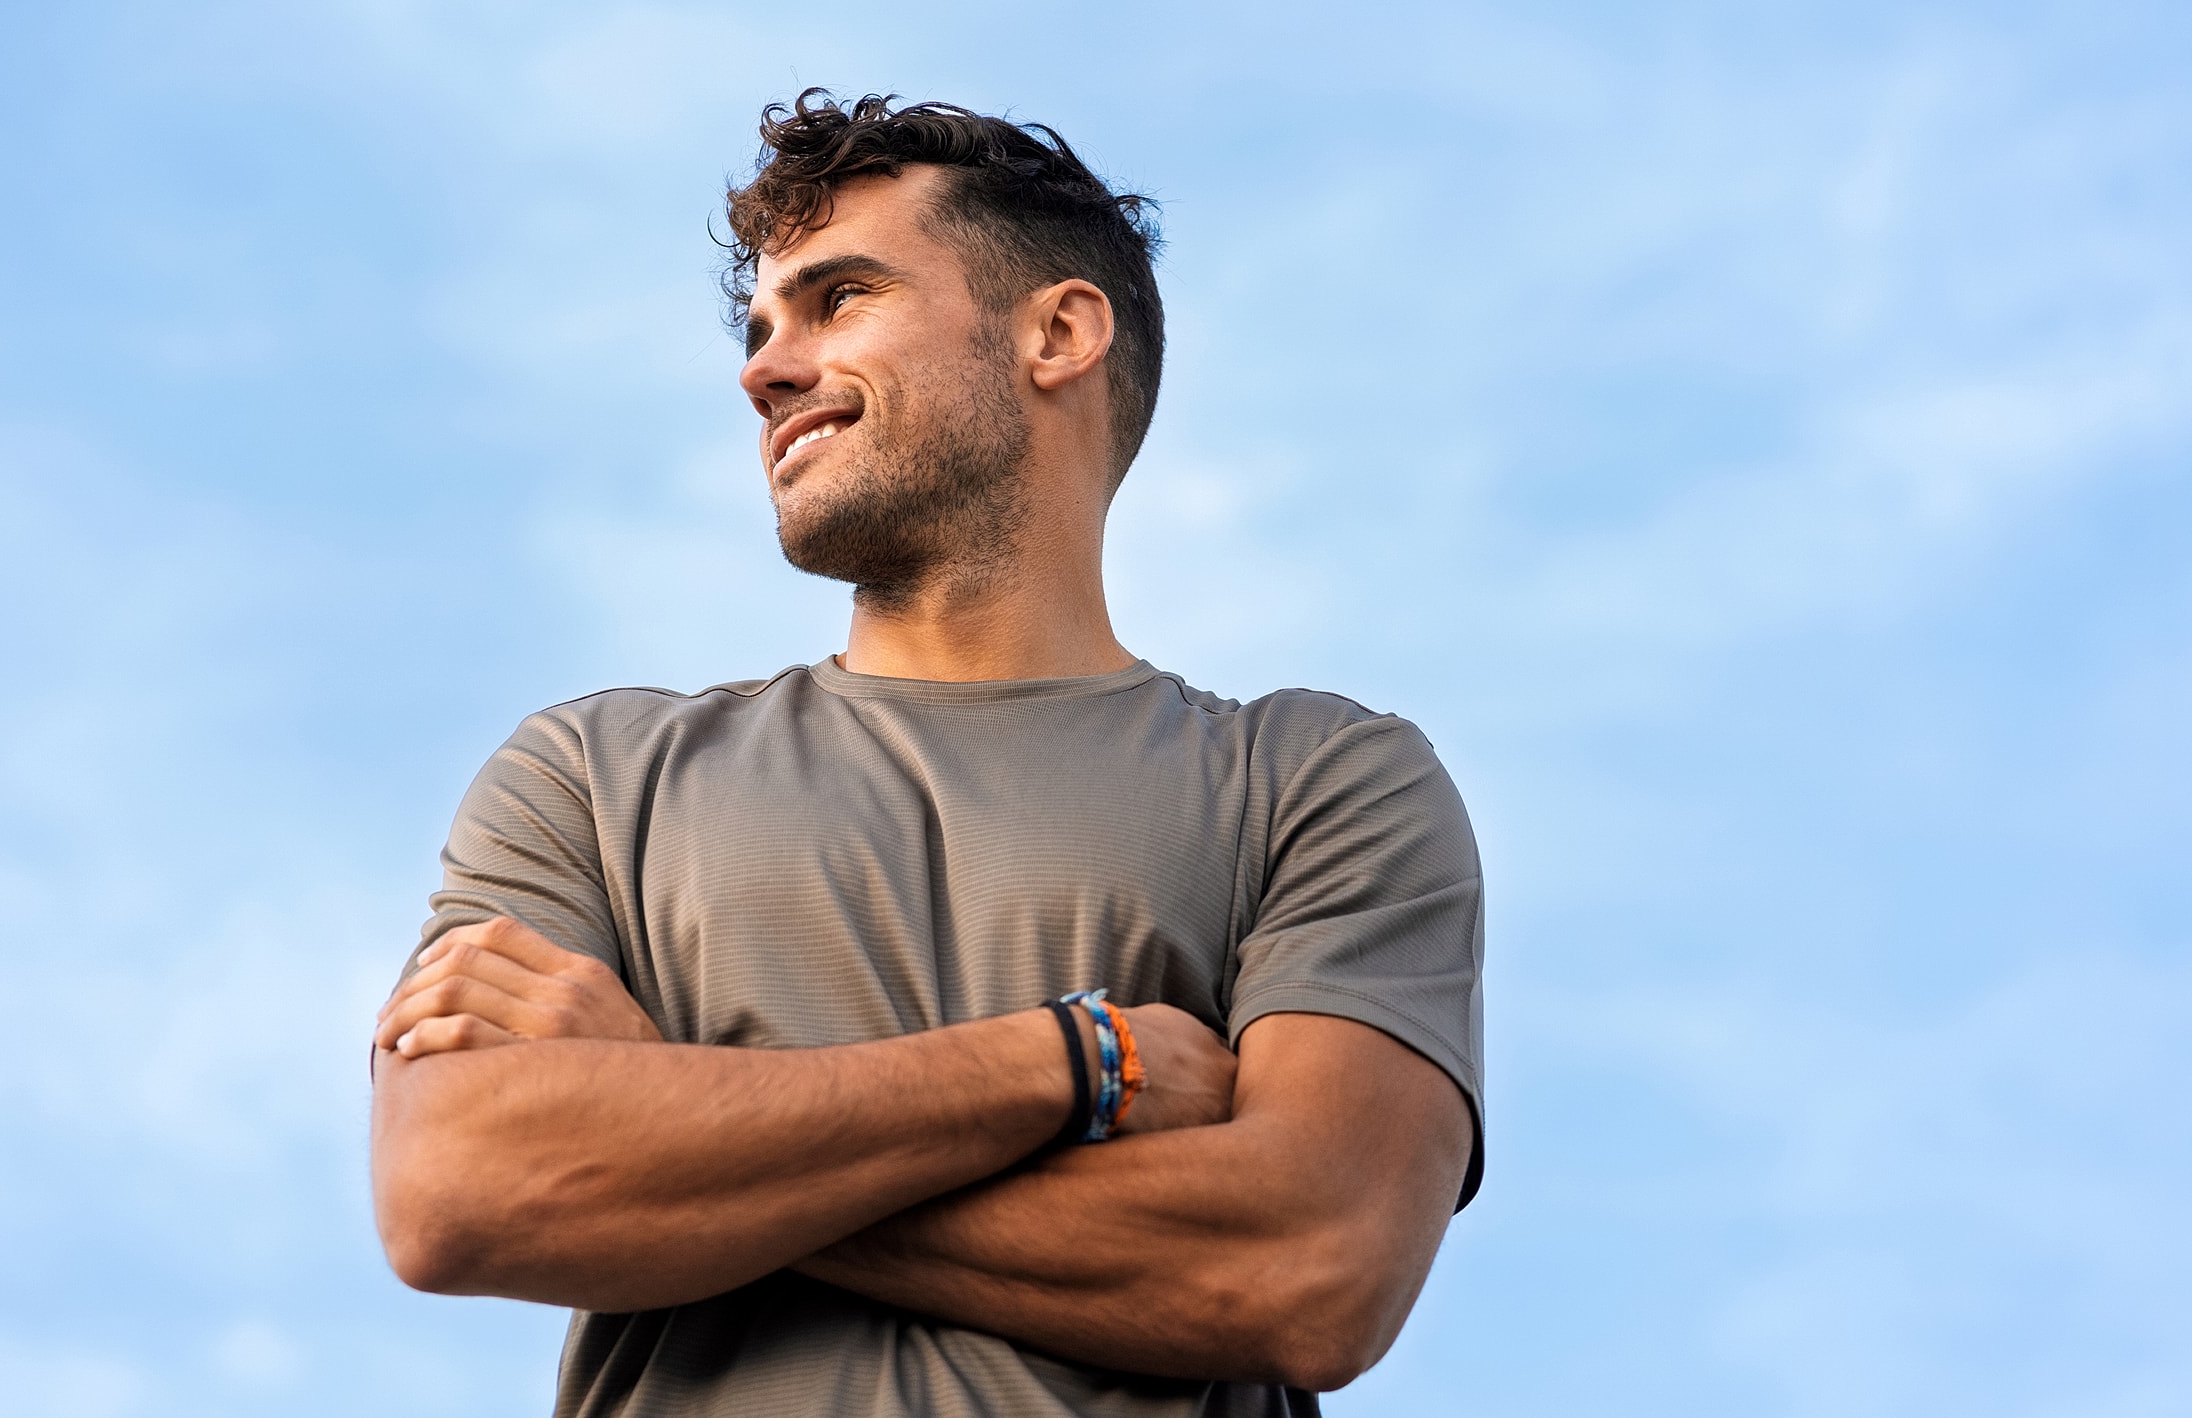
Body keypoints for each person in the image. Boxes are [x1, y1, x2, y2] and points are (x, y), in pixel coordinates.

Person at [369, 91, 1484, 1418]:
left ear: (1057, 334)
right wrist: (1077, 1065)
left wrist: (670, 1115)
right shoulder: (594, 777)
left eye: (838, 299)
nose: (763, 371)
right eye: (759, 328)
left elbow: (1311, 1266)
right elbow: (457, 1191)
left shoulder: (1316, 782)